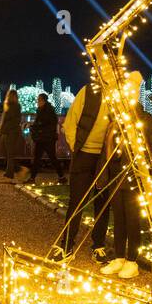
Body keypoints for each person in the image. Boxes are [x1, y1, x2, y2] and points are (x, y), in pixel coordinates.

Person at [101, 71, 150, 281]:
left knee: (133, 222)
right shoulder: (116, 122)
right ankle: (119, 256)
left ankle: (132, 260)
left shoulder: (143, 121)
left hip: (133, 179)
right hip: (116, 179)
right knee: (119, 220)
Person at [58, 79, 112, 260]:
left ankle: (98, 245)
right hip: (84, 153)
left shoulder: (120, 94)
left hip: (106, 156)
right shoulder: (88, 91)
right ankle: (67, 245)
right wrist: (76, 147)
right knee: (76, 202)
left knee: (103, 204)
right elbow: (71, 121)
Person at [24, 93, 63, 184]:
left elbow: (43, 123)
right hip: (45, 138)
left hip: (46, 138)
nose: (37, 102)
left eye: (38, 100)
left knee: (48, 158)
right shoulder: (45, 109)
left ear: (43, 100)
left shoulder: (46, 110)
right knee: (41, 158)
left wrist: (33, 125)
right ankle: (33, 178)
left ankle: (61, 176)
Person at [0, 87, 25, 180]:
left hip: (11, 133)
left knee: (9, 153)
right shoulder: (9, 106)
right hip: (7, 132)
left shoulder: (14, 106)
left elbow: (13, 120)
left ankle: (10, 173)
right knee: (5, 151)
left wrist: (4, 128)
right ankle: (19, 169)